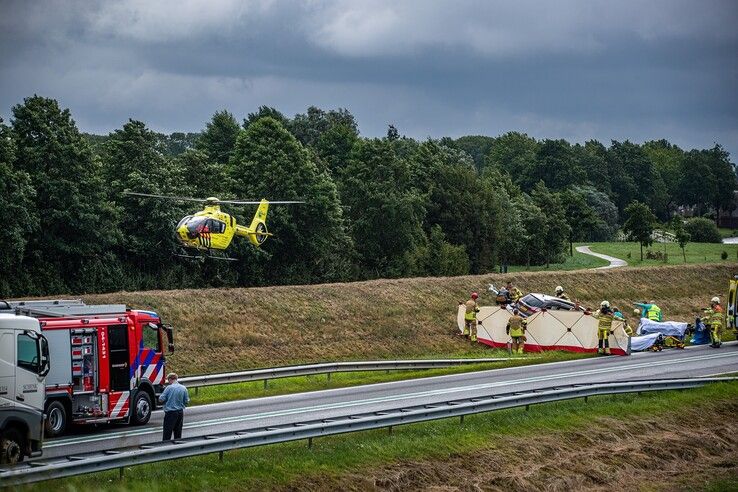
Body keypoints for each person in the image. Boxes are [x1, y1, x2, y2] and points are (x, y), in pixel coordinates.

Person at [159, 373, 190, 441]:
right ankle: (177, 447)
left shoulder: (169, 388)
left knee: (167, 432)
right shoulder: (183, 388)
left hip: (170, 413)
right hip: (180, 412)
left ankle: (165, 448)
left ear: (170, 379)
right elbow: (186, 401)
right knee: (178, 432)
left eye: (168, 380)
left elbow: (161, 399)